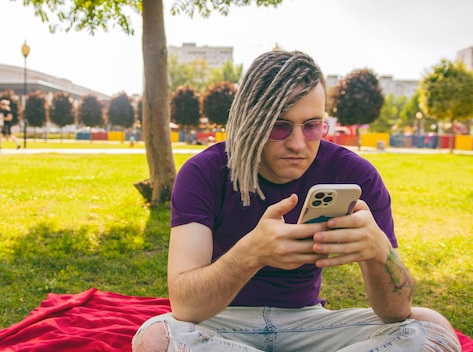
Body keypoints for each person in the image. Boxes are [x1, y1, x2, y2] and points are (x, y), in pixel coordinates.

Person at [132, 50, 460, 352]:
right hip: (222, 322)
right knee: (156, 337)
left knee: (433, 329)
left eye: (313, 126)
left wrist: (380, 254)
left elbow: (395, 312)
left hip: (309, 322)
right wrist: (251, 253)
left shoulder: (355, 174)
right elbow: (186, 306)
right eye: (279, 126)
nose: (298, 144)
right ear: (251, 122)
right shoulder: (204, 172)